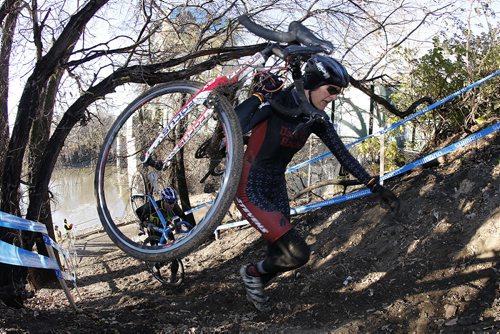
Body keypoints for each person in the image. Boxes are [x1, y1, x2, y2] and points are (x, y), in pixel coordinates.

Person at [234, 55, 400, 311]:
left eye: (339, 92)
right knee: (297, 253)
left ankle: (252, 282)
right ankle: (251, 273)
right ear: (310, 83)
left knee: (281, 254)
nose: (334, 97)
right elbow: (234, 124)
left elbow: (343, 154)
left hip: (275, 185)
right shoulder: (278, 101)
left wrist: (375, 187)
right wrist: (258, 96)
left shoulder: (316, 119)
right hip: (249, 186)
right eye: (331, 89)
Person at [135, 186, 195, 283]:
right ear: (163, 200)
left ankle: (173, 279)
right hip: (154, 233)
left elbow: (183, 216)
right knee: (161, 258)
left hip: (167, 230)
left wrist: (189, 227)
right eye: (170, 203)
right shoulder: (153, 205)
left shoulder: (174, 206)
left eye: (174, 202)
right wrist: (143, 222)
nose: (172, 205)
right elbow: (138, 211)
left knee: (175, 256)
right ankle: (156, 269)